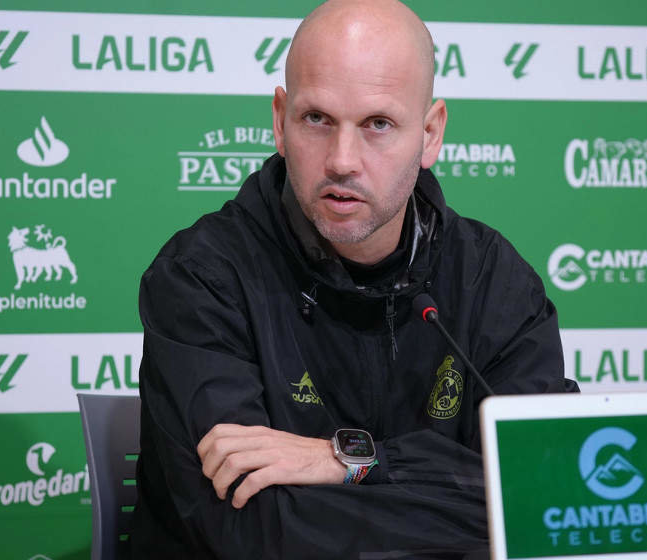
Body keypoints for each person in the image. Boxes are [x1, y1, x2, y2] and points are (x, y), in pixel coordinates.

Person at [131, 1, 573, 557]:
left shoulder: (492, 279)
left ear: (431, 134)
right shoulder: (201, 278)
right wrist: (460, 487)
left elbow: (547, 491)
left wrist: (345, 461)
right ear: (280, 120)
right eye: (317, 119)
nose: (342, 160)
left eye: (377, 124)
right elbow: (254, 532)